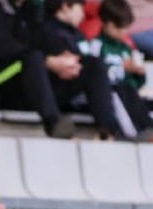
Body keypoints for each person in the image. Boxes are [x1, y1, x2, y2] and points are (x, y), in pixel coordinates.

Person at [0, 0, 77, 136]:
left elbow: (41, 40)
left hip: (29, 82)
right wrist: (47, 61)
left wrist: (63, 57)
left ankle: (107, 129)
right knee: (32, 59)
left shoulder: (29, 11)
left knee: (93, 65)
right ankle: (53, 122)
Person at [40, 0, 133, 137]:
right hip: (58, 92)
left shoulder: (76, 34)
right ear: (66, 6)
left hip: (79, 90)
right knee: (95, 66)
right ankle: (110, 128)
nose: (83, 15)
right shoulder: (49, 32)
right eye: (81, 9)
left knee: (124, 89)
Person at [94, 0, 152, 132]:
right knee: (121, 94)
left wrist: (139, 74)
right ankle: (133, 133)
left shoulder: (126, 49)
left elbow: (135, 84)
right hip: (110, 94)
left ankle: (147, 129)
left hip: (129, 93)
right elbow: (97, 77)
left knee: (133, 94)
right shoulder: (97, 46)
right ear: (107, 23)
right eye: (119, 27)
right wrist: (122, 69)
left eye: (126, 28)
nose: (123, 32)